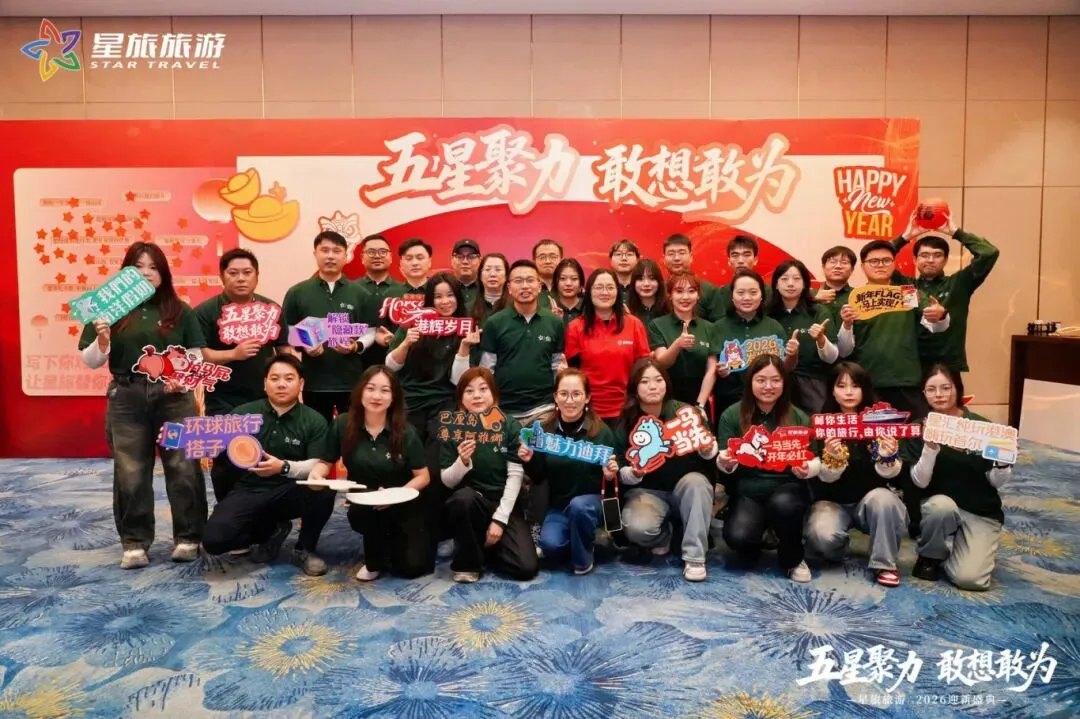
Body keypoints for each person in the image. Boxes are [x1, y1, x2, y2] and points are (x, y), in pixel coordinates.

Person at [78, 241, 207, 569]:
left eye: (153, 267)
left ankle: (189, 537)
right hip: (126, 397)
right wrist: (102, 339)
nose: (147, 273)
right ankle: (134, 542)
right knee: (131, 470)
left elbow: (195, 356)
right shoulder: (106, 310)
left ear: (164, 274)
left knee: (183, 466)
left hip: (174, 399)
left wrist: (183, 380)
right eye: (138, 267)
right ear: (125, 273)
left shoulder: (180, 310)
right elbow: (91, 360)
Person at [201, 355, 335, 576]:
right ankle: (270, 532)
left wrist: (283, 467)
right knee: (215, 540)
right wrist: (183, 439)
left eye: (289, 379)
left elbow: (317, 464)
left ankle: (304, 549)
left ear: (301, 383)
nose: (281, 384)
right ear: (265, 383)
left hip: (290, 490)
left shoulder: (314, 420)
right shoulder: (243, 415)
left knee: (323, 489)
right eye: (274, 378)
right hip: (249, 489)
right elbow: (214, 444)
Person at [310, 366, 433, 581]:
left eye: (385, 390)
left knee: (412, 568)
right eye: (370, 388)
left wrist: (394, 495)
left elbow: (423, 476)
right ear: (360, 391)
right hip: (365, 501)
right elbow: (325, 461)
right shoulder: (343, 424)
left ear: (393, 397)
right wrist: (316, 475)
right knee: (364, 518)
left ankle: (396, 541)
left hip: (403, 500)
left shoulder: (405, 432)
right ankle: (376, 557)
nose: (376, 396)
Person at [903, 364, 1011, 591]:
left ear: (957, 389)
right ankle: (930, 556)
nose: (939, 395)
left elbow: (995, 481)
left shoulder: (981, 427)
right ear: (923, 393)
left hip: (979, 508)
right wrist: (930, 448)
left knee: (970, 580)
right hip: (939, 506)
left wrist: (1002, 464)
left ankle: (962, 554)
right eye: (931, 389)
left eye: (946, 387)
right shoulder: (918, 428)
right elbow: (920, 482)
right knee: (939, 507)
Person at [195, 248, 289, 500]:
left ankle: (270, 513)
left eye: (247, 272)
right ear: (222, 276)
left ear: (257, 276)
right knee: (226, 459)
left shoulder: (270, 308)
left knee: (267, 456)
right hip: (223, 399)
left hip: (265, 398)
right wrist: (233, 354)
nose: (241, 278)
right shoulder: (205, 312)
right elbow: (198, 354)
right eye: (233, 273)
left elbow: (284, 350)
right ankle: (227, 508)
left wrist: (288, 381)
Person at [716, 355, 820, 583]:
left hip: (787, 488)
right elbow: (722, 457)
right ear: (750, 382)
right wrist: (725, 462)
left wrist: (808, 468)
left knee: (784, 504)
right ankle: (762, 535)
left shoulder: (799, 417)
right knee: (739, 537)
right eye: (761, 380)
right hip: (748, 491)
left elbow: (816, 460)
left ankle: (793, 558)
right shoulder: (732, 414)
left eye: (775, 380)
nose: (768, 386)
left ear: (784, 382)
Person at [804, 361, 908, 587]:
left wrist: (887, 456)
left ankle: (884, 563)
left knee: (885, 500)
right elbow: (823, 478)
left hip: (871, 501)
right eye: (841, 386)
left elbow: (891, 475)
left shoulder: (881, 420)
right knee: (821, 537)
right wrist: (833, 460)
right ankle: (841, 547)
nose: (849, 392)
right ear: (832, 390)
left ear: (865, 389)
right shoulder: (822, 423)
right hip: (832, 501)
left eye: (855, 386)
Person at [615, 359, 718, 582]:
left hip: (685, 486)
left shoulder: (687, 413)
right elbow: (620, 471)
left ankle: (695, 557)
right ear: (634, 387)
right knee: (637, 528)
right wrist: (634, 473)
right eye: (645, 382)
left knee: (697, 483)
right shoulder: (626, 420)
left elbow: (711, 452)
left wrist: (707, 449)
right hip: (647, 492)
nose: (653, 386)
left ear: (667, 383)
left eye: (658, 380)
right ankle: (666, 536)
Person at [439, 367, 538, 583]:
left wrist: (500, 521)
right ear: (461, 398)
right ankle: (468, 563)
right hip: (473, 502)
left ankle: (484, 546)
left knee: (525, 568)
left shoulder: (509, 425)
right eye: (469, 391)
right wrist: (462, 461)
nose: (477, 396)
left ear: (493, 394)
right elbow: (447, 481)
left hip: (505, 503)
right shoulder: (452, 428)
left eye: (483, 389)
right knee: (462, 499)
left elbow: (515, 476)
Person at [520, 369, 620, 575]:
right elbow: (538, 476)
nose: (569, 400)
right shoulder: (544, 431)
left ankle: (582, 562)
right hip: (559, 506)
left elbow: (613, 484)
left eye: (576, 394)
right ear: (555, 397)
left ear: (587, 397)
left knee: (579, 507)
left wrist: (610, 475)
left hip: (591, 504)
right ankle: (585, 537)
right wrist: (529, 461)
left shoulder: (602, 433)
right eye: (564, 394)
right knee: (551, 545)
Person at [837, 240, 950, 418]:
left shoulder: (908, 294)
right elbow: (844, 350)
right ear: (863, 266)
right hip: (866, 384)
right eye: (874, 261)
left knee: (915, 430)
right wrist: (847, 324)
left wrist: (940, 316)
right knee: (870, 434)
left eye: (886, 260)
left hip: (906, 380)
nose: (880, 265)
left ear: (894, 263)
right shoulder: (853, 298)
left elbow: (935, 327)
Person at [281, 231, 377, 424]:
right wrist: (305, 344)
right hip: (314, 382)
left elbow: (370, 332)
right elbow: (288, 330)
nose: (330, 256)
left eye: (336, 251)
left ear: (346, 256)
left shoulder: (361, 293)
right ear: (315, 254)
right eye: (324, 250)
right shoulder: (297, 292)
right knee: (316, 431)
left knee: (351, 431)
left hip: (351, 381)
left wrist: (355, 346)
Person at [387, 273, 475, 476]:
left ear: (458, 298)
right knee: (406, 453)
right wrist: (406, 343)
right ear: (429, 300)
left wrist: (464, 347)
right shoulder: (412, 323)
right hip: (411, 399)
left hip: (444, 401)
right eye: (438, 297)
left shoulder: (466, 328)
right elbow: (391, 366)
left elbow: (458, 380)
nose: (445, 302)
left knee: (437, 454)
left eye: (450, 295)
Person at [892, 211, 1000, 373]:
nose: (930, 260)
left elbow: (989, 253)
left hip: (948, 365)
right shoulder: (907, 285)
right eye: (924, 255)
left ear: (946, 260)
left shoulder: (959, 283)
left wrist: (956, 232)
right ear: (915, 260)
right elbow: (880, 258)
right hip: (912, 365)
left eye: (937, 255)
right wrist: (905, 237)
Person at [479, 260, 567, 425]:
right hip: (503, 410)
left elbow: (557, 366)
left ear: (539, 286)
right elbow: (486, 370)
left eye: (530, 280)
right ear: (509, 287)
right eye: (518, 281)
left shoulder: (555, 322)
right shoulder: (494, 322)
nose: (525, 286)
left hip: (544, 408)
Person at [565, 269, 651, 426]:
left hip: (628, 409)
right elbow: (573, 372)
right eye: (599, 287)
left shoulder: (634, 324)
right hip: (588, 410)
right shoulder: (575, 327)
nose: (605, 292)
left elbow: (643, 369)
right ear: (589, 292)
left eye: (610, 287)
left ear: (617, 292)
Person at [712, 269, 796, 413]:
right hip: (730, 401)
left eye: (753, 292)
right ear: (732, 296)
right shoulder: (717, 327)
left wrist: (793, 354)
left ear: (761, 296)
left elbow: (786, 368)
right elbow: (710, 367)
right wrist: (720, 371)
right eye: (740, 293)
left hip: (769, 401)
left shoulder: (774, 326)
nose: (747, 298)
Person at [767, 260, 840, 414]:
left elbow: (832, 358)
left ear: (805, 284)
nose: (790, 284)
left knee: (815, 424)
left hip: (812, 381)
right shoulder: (766, 313)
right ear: (776, 285)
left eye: (796, 279)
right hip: (773, 381)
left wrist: (821, 339)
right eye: (784, 279)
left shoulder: (819, 312)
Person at [648, 272, 717, 410]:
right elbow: (662, 362)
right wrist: (677, 345)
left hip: (699, 401)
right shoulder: (657, 325)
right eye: (679, 291)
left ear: (698, 295)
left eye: (691, 291)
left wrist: (700, 405)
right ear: (670, 295)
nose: (685, 297)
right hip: (665, 402)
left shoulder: (709, 328)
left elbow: (711, 369)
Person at [357, 234, 404, 369]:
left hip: (395, 364)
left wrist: (394, 340)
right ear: (362, 258)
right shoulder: (350, 289)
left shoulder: (404, 290)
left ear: (391, 257)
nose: (377, 256)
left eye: (383, 252)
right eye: (371, 252)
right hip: (356, 363)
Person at [703, 235, 772, 318]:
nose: (740, 261)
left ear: (755, 260)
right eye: (735, 255)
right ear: (729, 261)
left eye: (746, 255)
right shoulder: (720, 294)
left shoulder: (769, 292)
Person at [661, 234, 721, 321]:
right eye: (671, 254)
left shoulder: (708, 289)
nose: (676, 258)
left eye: (682, 253)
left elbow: (718, 323)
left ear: (691, 257)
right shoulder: (658, 289)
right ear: (664, 259)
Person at [813, 245, 857, 316]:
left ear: (852, 269)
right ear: (823, 267)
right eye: (833, 262)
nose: (838, 266)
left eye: (844, 262)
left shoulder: (858, 296)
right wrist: (814, 300)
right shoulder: (809, 295)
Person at [625, 258, 667, 327]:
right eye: (640, 279)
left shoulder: (670, 309)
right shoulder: (625, 310)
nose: (646, 284)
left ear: (659, 282)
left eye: (652, 278)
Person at [470, 252, 509, 324]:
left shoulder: (515, 307)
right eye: (487, 269)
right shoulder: (468, 307)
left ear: (506, 276)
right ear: (480, 276)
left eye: (498, 270)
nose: (492, 274)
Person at [552, 257, 585, 324]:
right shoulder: (548, 309)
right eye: (563, 278)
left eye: (574, 279)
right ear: (556, 282)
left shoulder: (589, 308)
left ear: (581, 283)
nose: (568, 283)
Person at [450, 238, 482, 308]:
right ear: (452, 260)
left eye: (472, 257)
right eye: (460, 257)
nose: (465, 261)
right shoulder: (444, 287)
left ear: (480, 261)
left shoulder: (486, 288)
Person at [609, 239, 640, 306]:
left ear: (637, 260)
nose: (624, 258)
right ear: (610, 260)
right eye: (618, 254)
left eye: (629, 254)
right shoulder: (605, 289)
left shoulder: (644, 288)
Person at [532, 239, 564, 303]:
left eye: (553, 257)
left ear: (561, 260)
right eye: (542, 257)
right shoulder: (527, 287)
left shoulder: (570, 286)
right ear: (534, 261)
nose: (547, 261)